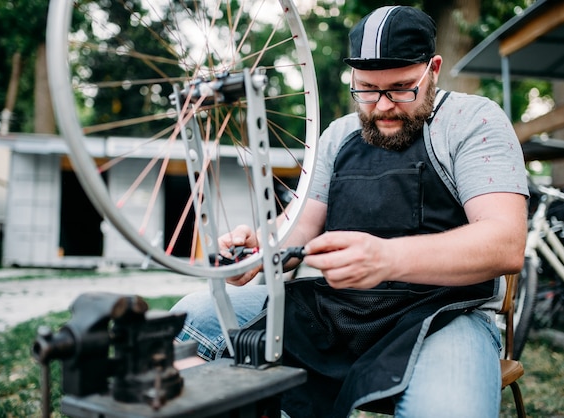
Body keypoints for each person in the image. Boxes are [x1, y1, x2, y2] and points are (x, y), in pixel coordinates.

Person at [171, 5, 528, 418]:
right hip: (338, 311)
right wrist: (260, 247)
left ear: (433, 68)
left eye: (401, 88)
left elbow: (504, 243)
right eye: (366, 89)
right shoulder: (339, 134)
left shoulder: (472, 120)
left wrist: (387, 258)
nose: (382, 106)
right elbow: (300, 226)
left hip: (444, 315)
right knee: (191, 318)